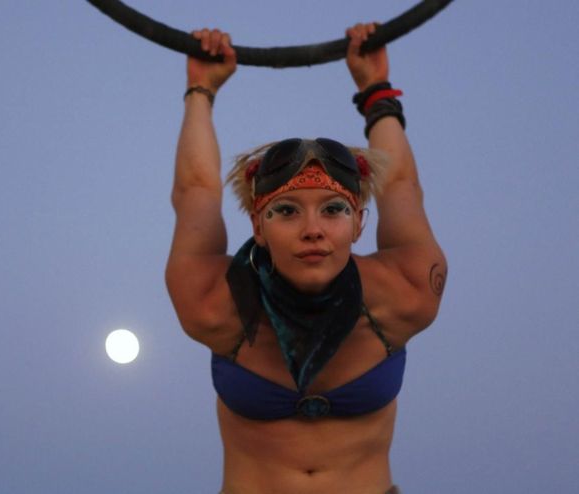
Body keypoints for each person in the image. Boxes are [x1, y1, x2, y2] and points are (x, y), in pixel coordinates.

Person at [166, 22, 447, 494]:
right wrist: (200, 88)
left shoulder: (406, 291)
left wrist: (376, 88)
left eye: (333, 209)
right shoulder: (212, 302)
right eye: (286, 211)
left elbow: (399, 186)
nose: (312, 229)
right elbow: (195, 190)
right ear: (258, 225)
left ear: (359, 222)